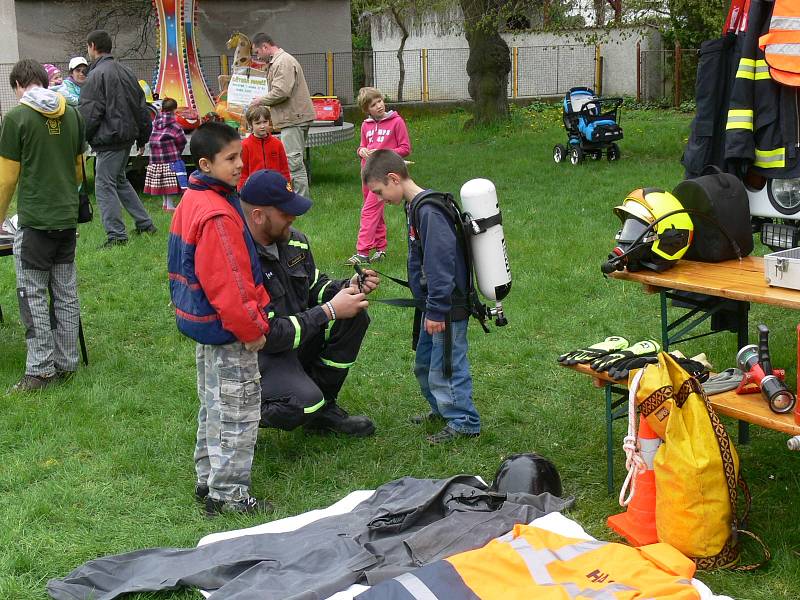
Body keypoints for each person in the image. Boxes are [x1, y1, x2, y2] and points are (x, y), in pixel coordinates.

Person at [167, 121, 272, 516]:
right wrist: (254, 329)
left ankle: (206, 477)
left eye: (240, 156)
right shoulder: (216, 214)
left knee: (213, 404)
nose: (240, 165)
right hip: (228, 331)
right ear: (205, 164)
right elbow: (230, 284)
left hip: (205, 328)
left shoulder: (193, 199)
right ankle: (227, 494)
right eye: (231, 159)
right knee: (237, 410)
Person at [239, 169, 378, 437]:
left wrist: (346, 287)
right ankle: (235, 413)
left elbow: (314, 285)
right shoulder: (240, 258)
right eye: (284, 213)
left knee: (355, 317)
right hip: (261, 355)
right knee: (303, 403)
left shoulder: (295, 241)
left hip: (296, 338)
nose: (293, 217)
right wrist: (330, 311)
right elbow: (269, 335)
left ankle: (323, 408)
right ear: (257, 216)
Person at [362, 149, 481, 444]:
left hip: (446, 305)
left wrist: (438, 310)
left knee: (447, 365)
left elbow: (441, 263)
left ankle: (464, 420)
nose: (378, 199)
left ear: (393, 178)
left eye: (378, 192)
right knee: (425, 363)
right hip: (431, 304)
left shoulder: (428, 211)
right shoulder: (413, 206)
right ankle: (441, 409)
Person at [0, 59, 86, 391]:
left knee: (32, 293)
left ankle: (39, 371)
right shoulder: (73, 113)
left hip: (35, 221)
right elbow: (79, 170)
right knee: (64, 292)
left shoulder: (16, 118)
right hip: (66, 218)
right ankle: (67, 363)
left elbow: (6, 180)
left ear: (19, 85)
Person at [79, 29, 156, 248]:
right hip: (126, 138)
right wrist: (142, 137)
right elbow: (142, 106)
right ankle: (145, 223)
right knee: (119, 180)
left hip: (109, 139)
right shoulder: (126, 71)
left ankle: (116, 235)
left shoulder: (96, 75)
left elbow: (90, 112)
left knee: (104, 185)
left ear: (92, 46)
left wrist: (80, 139)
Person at [348, 86, 411, 266]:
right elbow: (361, 146)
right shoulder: (365, 125)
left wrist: (383, 151)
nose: (379, 106)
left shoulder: (396, 122)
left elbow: (405, 149)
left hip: (383, 174)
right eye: (373, 104)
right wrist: (362, 151)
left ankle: (362, 252)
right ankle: (381, 248)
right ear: (366, 109)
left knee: (368, 211)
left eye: (380, 101)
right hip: (366, 173)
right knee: (376, 212)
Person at [251, 33, 315, 199]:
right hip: (292, 117)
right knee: (293, 160)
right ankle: (297, 198)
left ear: (265, 47)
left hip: (293, 118)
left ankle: (301, 200)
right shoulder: (277, 62)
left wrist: (260, 100)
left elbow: (281, 91)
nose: (257, 56)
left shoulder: (283, 62)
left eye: (257, 52)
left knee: (293, 163)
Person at [143, 97, 187, 212]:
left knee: (163, 182)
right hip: (171, 158)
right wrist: (178, 151)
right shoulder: (175, 126)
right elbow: (182, 141)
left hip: (155, 159)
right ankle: (169, 205)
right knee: (170, 183)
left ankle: (165, 203)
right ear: (174, 110)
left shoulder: (154, 123)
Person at [238, 102, 290, 190]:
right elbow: (243, 172)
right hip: (254, 189)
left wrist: (288, 188)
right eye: (258, 123)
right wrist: (241, 189)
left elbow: (284, 169)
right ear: (251, 125)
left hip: (275, 187)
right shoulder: (245, 145)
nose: (262, 126)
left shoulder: (277, 144)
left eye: (265, 122)